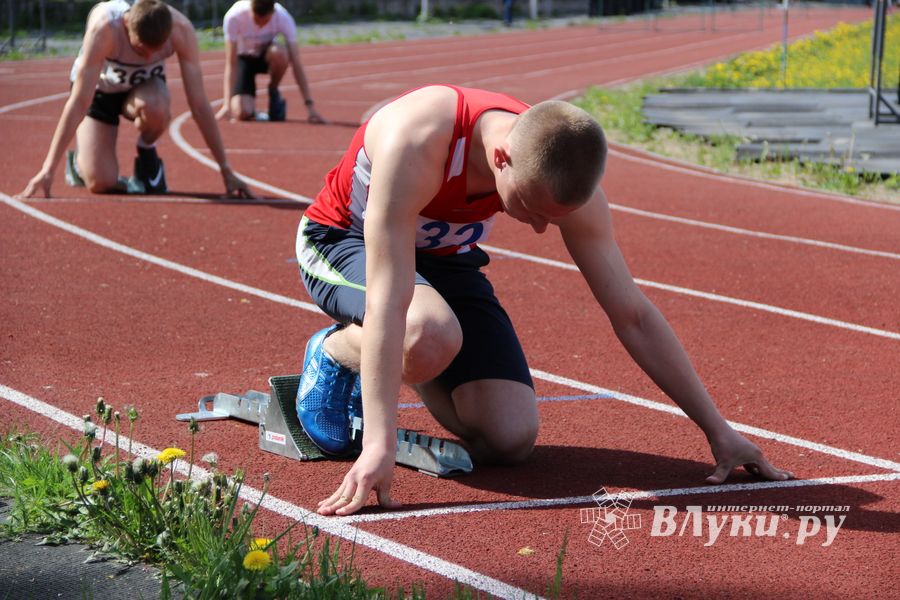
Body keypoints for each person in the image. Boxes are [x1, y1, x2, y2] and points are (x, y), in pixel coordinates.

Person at [294, 84, 794, 517]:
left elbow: (633, 315)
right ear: (501, 158)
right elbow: (389, 296)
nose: (538, 228)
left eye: (551, 218)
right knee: (425, 332)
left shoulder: (562, 170)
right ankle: (336, 352)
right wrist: (379, 443)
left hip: (445, 262)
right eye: (530, 209)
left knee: (508, 439)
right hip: (344, 242)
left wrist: (718, 431)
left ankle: (410, 348)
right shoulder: (418, 140)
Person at [18, 0, 252, 198]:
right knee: (101, 182)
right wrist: (48, 168)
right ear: (126, 25)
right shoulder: (104, 29)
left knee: (157, 106)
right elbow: (79, 101)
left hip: (144, 91)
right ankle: (79, 162)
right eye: (140, 49)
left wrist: (226, 170)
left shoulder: (181, 30)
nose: (148, 57)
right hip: (100, 91)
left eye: (156, 51)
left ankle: (147, 153)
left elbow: (199, 105)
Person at [216, 0, 324, 123]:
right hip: (244, 59)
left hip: (267, 56)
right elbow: (231, 62)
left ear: (273, 12)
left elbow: (296, 61)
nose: (261, 25)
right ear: (251, 10)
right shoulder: (234, 17)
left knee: (281, 53)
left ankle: (273, 89)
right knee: (242, 113)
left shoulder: (283, 17)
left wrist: (310, 107)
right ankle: (254, 111)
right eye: (256, 20)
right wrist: (226, 105)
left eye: (265, 21)